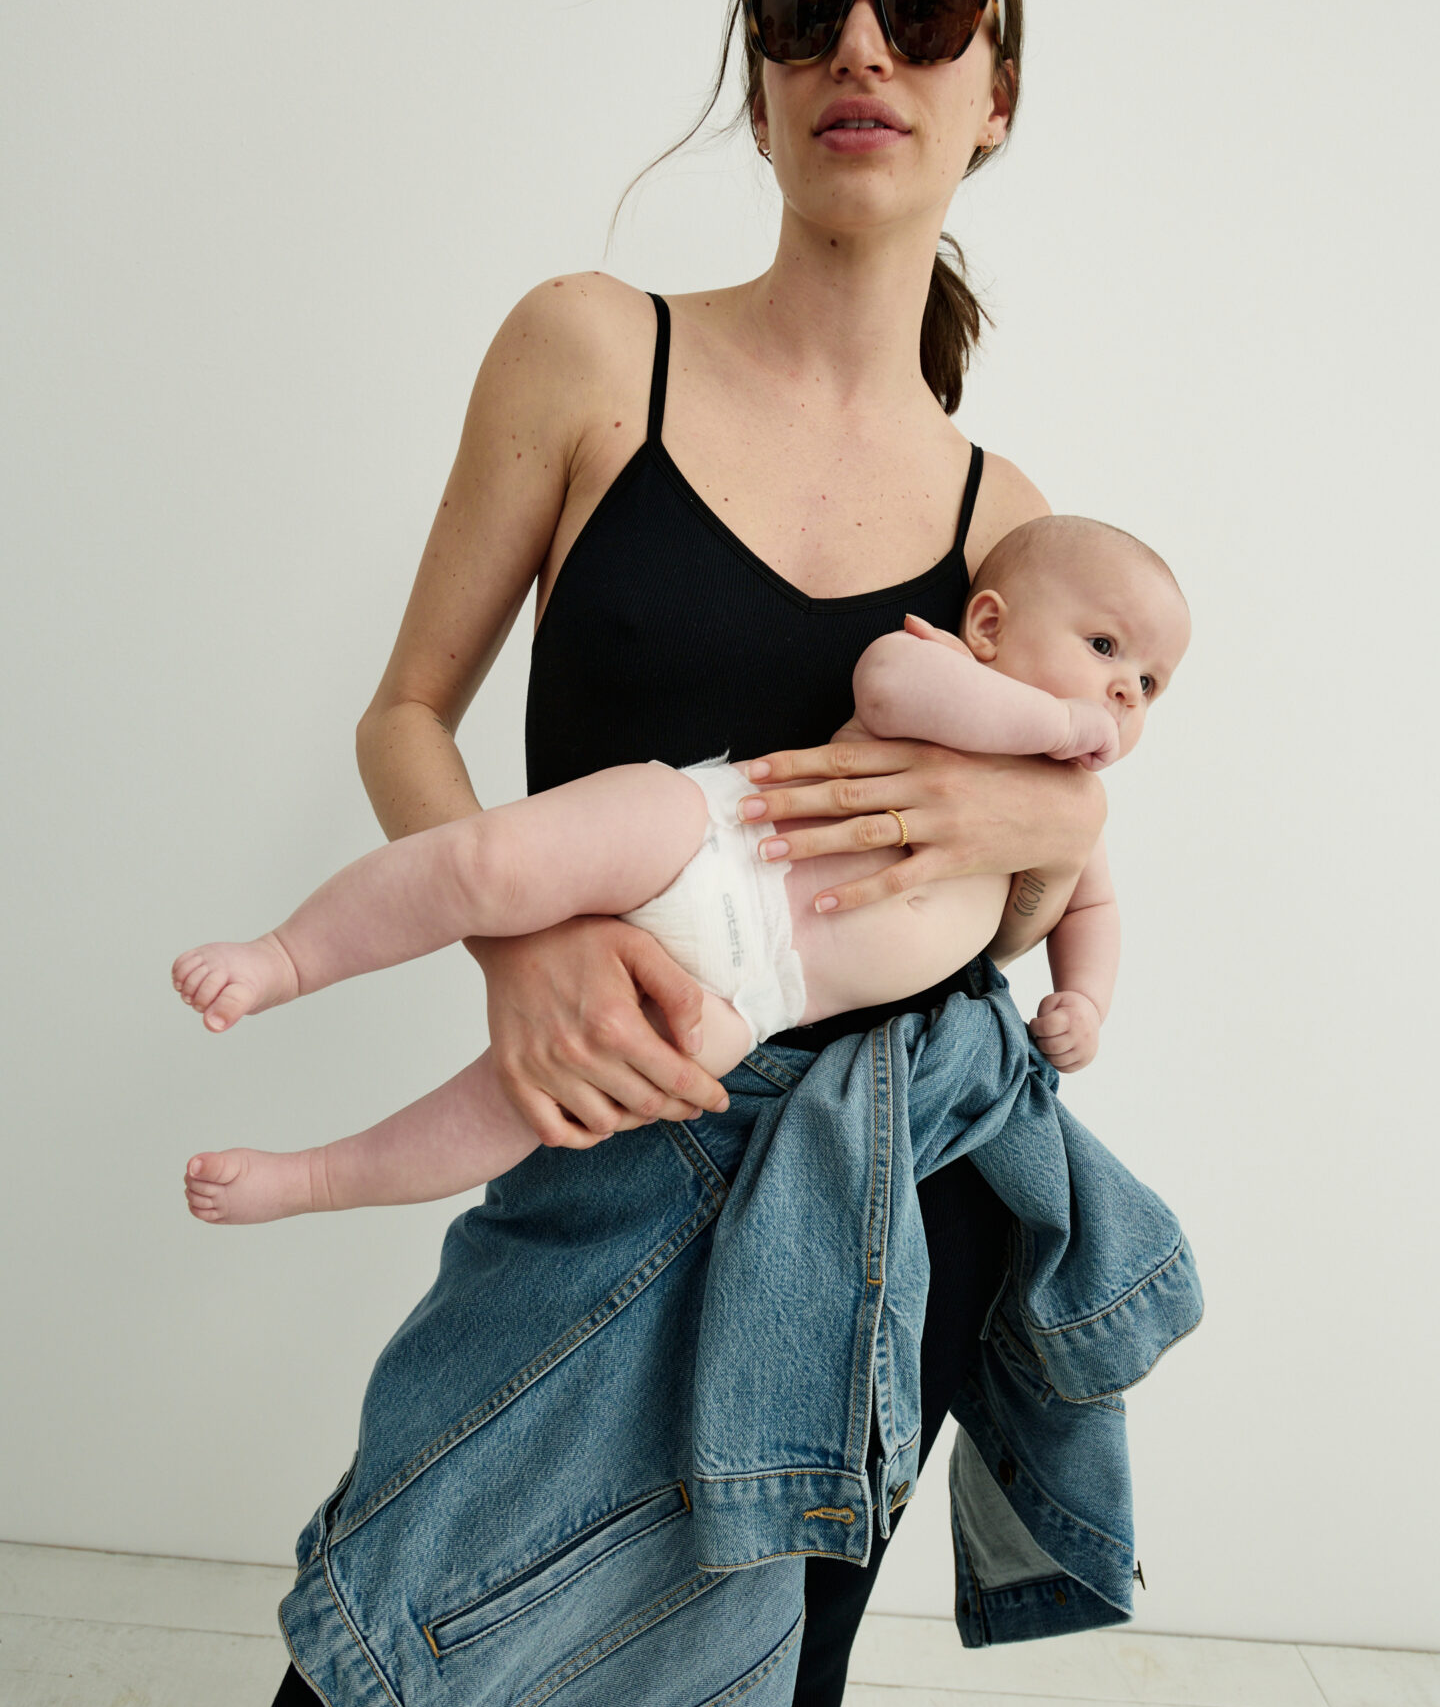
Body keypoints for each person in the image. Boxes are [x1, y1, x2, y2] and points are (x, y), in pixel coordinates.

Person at [224, 0, 1123, 1707]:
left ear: (999, 90)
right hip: (597, 1151)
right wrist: (517, 941)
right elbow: (407, 714)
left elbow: (1041, 880)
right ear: (760, 61)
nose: (862, 44)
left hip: (879, 1226)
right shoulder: (586, 348)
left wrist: (1028, 826)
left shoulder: (1013, 521)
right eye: (806, 4)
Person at [176, 518, 1189, 1227]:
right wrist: (1058, 725)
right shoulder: (943, 668)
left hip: (755, 995)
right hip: (713, 836)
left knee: (533, 1103)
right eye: (1103, 646)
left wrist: (1085, 999)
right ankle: (285, 956)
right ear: (992, 626)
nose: (1121, 691)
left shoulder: (1067, 810)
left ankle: (310, 1179)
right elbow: (887, 685)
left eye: (1146, 682)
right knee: (488, 858)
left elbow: (1085, 901)